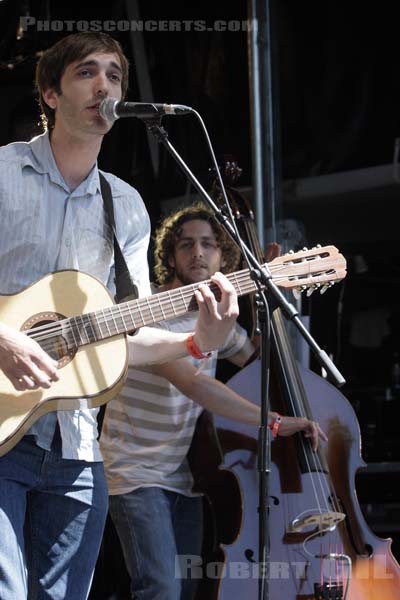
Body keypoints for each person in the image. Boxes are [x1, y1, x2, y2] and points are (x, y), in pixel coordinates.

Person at [0, 33, 240, 600]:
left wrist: (197, 343)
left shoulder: (124, 204)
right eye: (87, 73)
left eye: (114, 75)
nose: (104, 86)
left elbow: (123, 334)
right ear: (50, 94)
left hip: (77, 448)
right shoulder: (3, 173)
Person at [100, 204, 327, 600]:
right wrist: (272, 422)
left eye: (208, 244)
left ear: (225, 256)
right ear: (170, 256)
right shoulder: (149, 308)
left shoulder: (219, 315)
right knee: (162, 589)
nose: (198, 253)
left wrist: (269, 300)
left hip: (185, 476)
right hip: (133, 473)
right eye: (186, 245)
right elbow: (195, 385)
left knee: (188, 588)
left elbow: (255, 356)